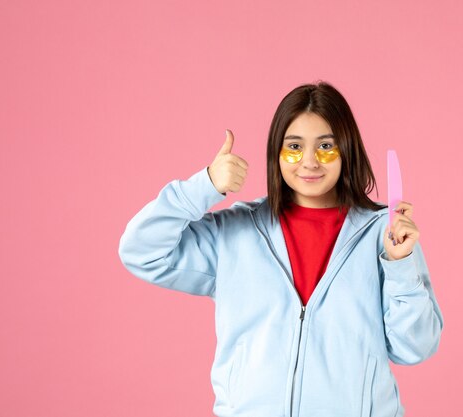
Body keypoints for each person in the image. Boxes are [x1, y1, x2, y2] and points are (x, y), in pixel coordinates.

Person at [118, 81, 443, 417]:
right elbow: (141, 250)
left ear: (347, 149)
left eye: (326, 146)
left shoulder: (386, 235)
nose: (310, 162)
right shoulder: (236, 233)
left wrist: (399, 265)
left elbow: (415, 347)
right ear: (276, 152)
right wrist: (204, 186)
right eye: (294, 146)